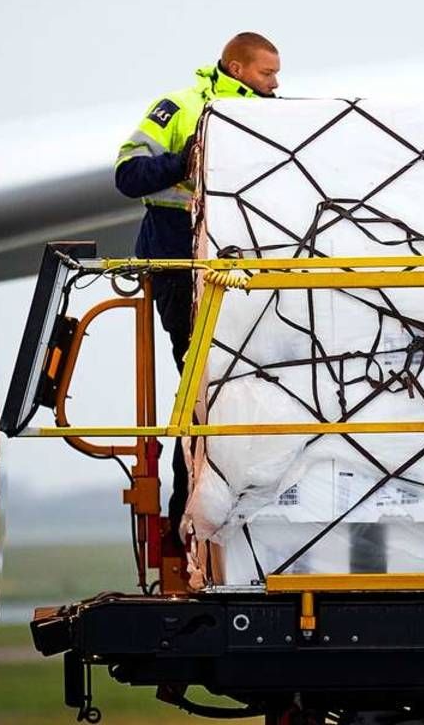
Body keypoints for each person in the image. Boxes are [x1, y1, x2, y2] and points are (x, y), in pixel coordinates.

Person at [114, 32, 280, 531]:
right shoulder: (178, 107)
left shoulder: (277, 117)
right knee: (204, 388)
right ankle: (185, 519)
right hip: (179, 267)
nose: (275, 83)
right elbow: (127, 175)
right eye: (266, 73)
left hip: (246, 274)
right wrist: (184, 159)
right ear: (235, 67)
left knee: (253, 388)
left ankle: (239, 507)